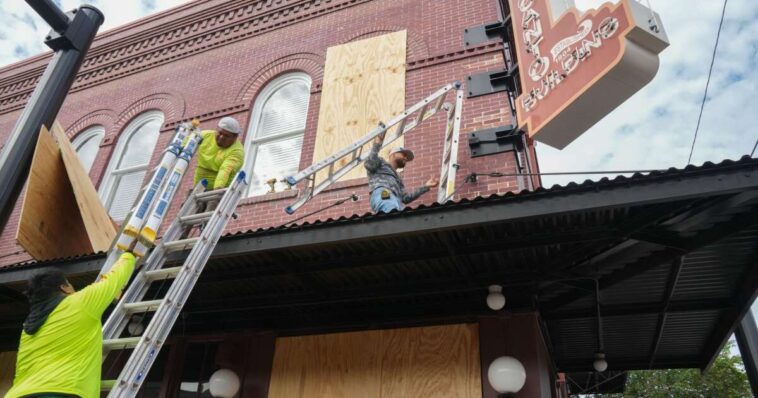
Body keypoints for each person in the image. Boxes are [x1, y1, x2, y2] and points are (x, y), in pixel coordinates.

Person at [5, 252, 137, 398]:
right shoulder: (80, 302)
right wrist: (128, 255)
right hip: (63, 391)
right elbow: (114, 280)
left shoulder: (28, 327)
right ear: (64, 287)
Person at [364, 135, 438, 213]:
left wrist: (426, 187)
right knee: (392, 213)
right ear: (393, 154)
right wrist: (377, 143)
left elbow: (405, 198)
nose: (406, 158)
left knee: (399, 219)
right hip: (383, 193)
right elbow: (369, 164)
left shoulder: (398, 178)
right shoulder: (380, 163)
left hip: (396, 201)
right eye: (403, 155)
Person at [193, 116, 245, 210]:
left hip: (219, 188)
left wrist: (217, 190)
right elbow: (186, 143)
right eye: (220, 133)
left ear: (235, 137)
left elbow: (225, 171)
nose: (221, 137)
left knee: (209, 214)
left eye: (226, 136)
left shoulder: (237, 152)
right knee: (189, 211)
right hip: (199, 186)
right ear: (216, 129)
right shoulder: (205, 136)